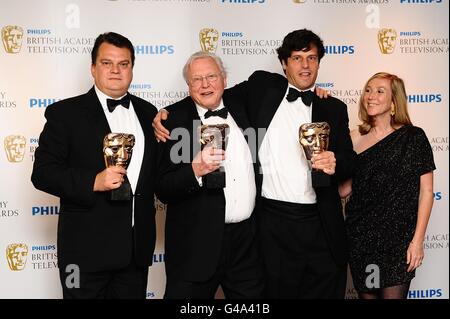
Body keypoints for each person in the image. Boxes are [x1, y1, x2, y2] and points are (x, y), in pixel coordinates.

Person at [154, 29, 356, 299]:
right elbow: (164, 186)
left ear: (224, 80)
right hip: (255, 232)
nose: (305, 66)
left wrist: (336, 161)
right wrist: (166, 123)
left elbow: (350, 162)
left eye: (311, 58)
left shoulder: (331, 107)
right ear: (284, 63)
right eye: (296, 58)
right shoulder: (258, 90)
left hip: (296, 232)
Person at [31, 32, 158, 299]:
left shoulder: (149, 113)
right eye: (106, 63)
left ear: (132, 68)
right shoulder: (64, 114)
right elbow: (42, 173)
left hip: (135, 255)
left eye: (123, 64)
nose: (115, 70)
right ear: (93, 68)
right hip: (84, 254)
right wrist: (93, 181)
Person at [155, 51, 264, 298]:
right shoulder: (171, 121)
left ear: (225, 79)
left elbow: (287, 79)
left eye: (212, 76)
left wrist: (318, 94)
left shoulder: (243, 105)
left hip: (247, 246)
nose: (205, 84)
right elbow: (162, 188)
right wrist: (194, 170)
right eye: (197, 79)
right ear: (188, 85)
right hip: (194, 249)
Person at [339, 72, 435, 299]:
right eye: (368, 90)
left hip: (397, 241)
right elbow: (344, 189)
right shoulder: (354, 138)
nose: (370, 96)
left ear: (394, 100)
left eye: (380, 91)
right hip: (362, 238)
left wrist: (417, 241)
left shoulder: (413, 137)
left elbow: (427, 192)